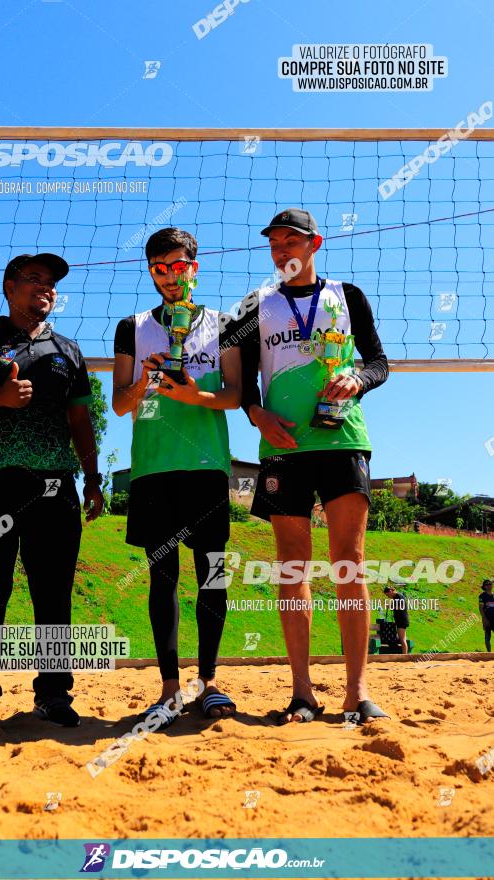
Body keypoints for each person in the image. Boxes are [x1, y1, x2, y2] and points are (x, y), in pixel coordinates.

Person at [235, 207, 389, 725]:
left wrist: (358, 381)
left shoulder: (347, 295)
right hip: (284, 446)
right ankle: (302, 691)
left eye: (291, 242)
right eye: (274, 244)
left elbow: (379, 363)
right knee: (292, 566)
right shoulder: (256, 305)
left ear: (314, 243)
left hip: (343, 437)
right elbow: (240, 380)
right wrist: (255, 413)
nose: (282, 252)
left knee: (349, 561)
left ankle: (357, 690)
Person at [0, 253, 103, 735]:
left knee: (53, 596)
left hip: (55, 487)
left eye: (50, 283)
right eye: (33, 279)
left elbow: (81, 421)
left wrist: (92, 479)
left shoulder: (68, 351)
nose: (45, 288)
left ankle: (53, 694)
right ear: (9, 287)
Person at [112, 227, 241, 727]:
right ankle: (168, 690)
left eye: (178, 265)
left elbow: (234, 394)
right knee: (162, 578)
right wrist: (145, 378)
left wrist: (193, 396)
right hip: (153, 466)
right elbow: (121, 404)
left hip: (207, 464)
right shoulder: (133, 325)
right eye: (159, 268)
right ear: (150, 272)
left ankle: (208, 681)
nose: (169, 276)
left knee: (213, 573)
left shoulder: (224, 324)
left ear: (195, 265)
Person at [383, 585, 409, 654]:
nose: (388, 597)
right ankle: (404, 655)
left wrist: (391, 607)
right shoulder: (396, 597)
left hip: (402, 620)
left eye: (387, 595)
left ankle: (404, 656)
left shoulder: (399, 596)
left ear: (390, 591)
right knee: (402, 639)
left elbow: (401, 607)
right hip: (400, 620)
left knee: (402, 639)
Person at [478, 579, 494, 651]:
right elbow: (481, 608)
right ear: (484, 586)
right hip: (487, 619)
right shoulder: (482, 596)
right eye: (487, 584)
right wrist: (484, 619)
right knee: (487, 637)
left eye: (490, 584)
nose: (489, 586)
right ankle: (489, 653)